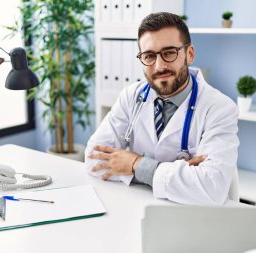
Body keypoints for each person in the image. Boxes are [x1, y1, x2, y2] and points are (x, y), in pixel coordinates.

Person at [85, 12, 239, 205]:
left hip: (191, 217)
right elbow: (94, 161)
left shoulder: (220, 108)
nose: (159, 66)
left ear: (189, 54)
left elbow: (211, 187)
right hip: (136, 204)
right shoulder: (131, 96)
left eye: (169, 53)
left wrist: (135, 164)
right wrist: (176, 175)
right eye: (149, 56)